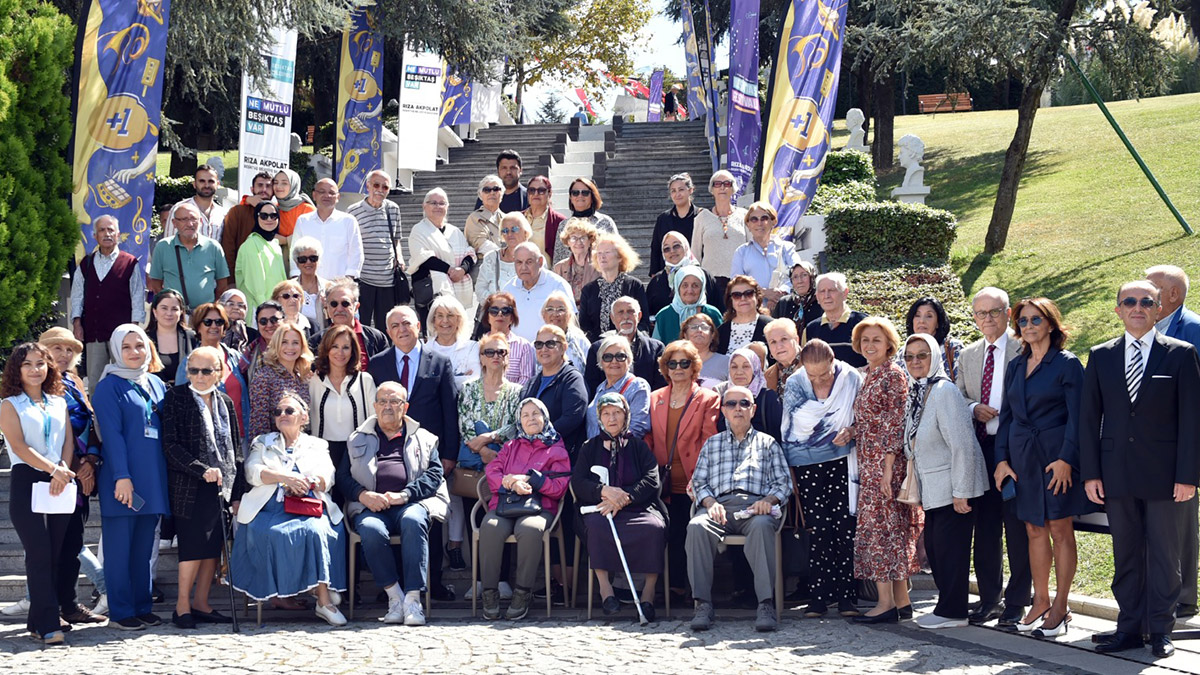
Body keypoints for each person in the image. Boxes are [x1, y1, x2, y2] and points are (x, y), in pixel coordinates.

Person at [1080, 281, 1200, 658]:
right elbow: (1088, 419)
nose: (1137, 307)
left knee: (1165, 557)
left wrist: (1188, 476)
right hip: (1116, 475)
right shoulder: (1101, 355)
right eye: (1129, 301)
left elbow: (1192, 420)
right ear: (1118, 309)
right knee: (1126, 554)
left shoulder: (1181, 354)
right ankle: (1129, 628)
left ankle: (1161, 630)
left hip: (1166, 477)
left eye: (1146, 302)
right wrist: (1091, 473)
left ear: (1158, 309)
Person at [991, 297, 1092, 637]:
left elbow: (1079, 418)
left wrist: (1066, 460)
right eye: (1023, 321)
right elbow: (1006, 417)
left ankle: (1061, 607)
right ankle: (1041, 601)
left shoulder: (1067, 364)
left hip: (1055, 458)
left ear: (1050, 324)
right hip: (1022, 459)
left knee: (1060, 529)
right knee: (1033, 529)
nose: (1029, 326)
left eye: (1036, 320)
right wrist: (1001, 460)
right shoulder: (1016, 365)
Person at [367, 305, 462, 600]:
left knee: (428, 516)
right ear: (388, 331)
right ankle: (394, 588)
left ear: (418, 326)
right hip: (389, 453)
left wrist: (449, 454)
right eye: (395, 325)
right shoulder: (377, 364)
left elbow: (449, 410)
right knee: (394, 517)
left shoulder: (440, 362)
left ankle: (432, 583)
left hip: (428, 453)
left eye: (406, 323)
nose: (401, 330)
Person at [232, 393, 347, 626]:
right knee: (270, 533)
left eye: (289, 411)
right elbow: (252, 472)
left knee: (316, 531)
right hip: (268, 506)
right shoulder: (263, 442)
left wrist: (308, 482)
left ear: (304, 417)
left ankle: (323, 600)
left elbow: (328, 476)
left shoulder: (317, 444)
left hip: (307, 504)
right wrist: (285, 478)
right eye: (278, 412)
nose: (282, 415)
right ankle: (311, 590)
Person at [341, 382, 448, 625]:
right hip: (371, 506)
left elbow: (435, 475)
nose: (388, 407)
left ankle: (413, 600)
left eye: (394, 402)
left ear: (405, 407)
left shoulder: (424, 437)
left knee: (413, 521)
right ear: (375, 406)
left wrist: (406, 494)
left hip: (411, 503)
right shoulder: (356, 438)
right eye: (383, 402)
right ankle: (395, 597)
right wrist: (363, 495)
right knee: (370, 529)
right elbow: (343, 476)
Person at [955, 287, 1031, 628]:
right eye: (981, 313)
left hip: (1016, 451)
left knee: (1016, 529)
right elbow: (958, 395)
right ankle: (989, 599)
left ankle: (1017, 602)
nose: (988, 319)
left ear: (1008, 314)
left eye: (995, 312)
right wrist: (973, 407)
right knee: (985, 529)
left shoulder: (1024, 349)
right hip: (981, 449)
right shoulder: (969, 354)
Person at [687, 385, 792, 633]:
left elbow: (783, 484)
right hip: (718, 507)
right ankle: (702, 604)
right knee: (696, 526)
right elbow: (699, 482)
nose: (738, 409)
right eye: (731, 404)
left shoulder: (768, 443)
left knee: (762, 526)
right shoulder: (711, 444)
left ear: (753, 410)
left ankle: (765, 604)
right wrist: (710, 503)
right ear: (723, 410)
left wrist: (768, 501)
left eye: (744, 403)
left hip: (755, 508)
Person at [901, 334, 988, 629]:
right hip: (933, 490)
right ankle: (948, 607)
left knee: (950, 552)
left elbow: (962, 444)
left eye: (922, 355)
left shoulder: (944, 391)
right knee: (937, 550)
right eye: (910, 356)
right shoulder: (918, 391)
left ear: (934, 358)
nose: (915, 361)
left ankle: (953, 611)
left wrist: (962, 491)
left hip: (953, 489)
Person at [92, 325, 170, 631]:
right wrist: (121, 477)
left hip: (153, 478)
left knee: (142, 550)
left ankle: (141, 606)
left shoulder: (156, 383)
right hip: (123, 480)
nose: (134, 352)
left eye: (140, 345)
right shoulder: (108, 387)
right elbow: (111, 436)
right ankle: (121, 611)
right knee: (119, 551)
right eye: (126, 347)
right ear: (115, 351)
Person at [1, 342, 77, 643]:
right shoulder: (9, 404)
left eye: (40, 363)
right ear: (17, 369)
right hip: (27, 479)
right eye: (27, 364)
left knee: (56, 554)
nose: (35, 369)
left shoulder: (58, 401)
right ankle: (48, 624)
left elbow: (68, 440)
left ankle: (36, 621)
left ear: (49, 367)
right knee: (39, 554)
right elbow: (19, 446)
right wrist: (52, 469)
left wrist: (63, 469)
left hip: (60, 479)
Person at [161, 347, 242, 629]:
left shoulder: (225, 402)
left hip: (222, 485)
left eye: (206, 371)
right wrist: (201, 469)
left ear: (219, 372)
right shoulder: (176, 397)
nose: (199, 376)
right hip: (189, 484)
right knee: (192, 546)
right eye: (193, 370)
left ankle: (201, 603)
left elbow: (235, 447)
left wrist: (237, 492)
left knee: (212, 546)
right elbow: (170, 445)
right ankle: (182, 606)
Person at [781, 339, 863, 618]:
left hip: (844, 459)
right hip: (806, 462)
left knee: (845, 527)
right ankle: (818, 597)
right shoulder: (795, 382)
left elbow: (863, 416)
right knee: (818, 529)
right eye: (812, 375)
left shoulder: (851, 378)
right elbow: (793, 424)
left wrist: (851, 430)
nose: (818, 380)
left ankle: (847, 597)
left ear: (833, 362)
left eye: (824, 375)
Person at [846, 317, 919, 624]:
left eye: (876, 339)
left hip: (885, 465)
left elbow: (896, 423)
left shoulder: (893, 374)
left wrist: (888, 469)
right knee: (889, 530)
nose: (870, 345)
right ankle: (902, 602)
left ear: (889, 343)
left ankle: (885, 603)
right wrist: (851, 431)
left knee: (881, 532)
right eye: (865, 340)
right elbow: (869, 420)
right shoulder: (868, 374)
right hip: (869, 462)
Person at [574, 392, 667, 620]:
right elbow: (578, 482)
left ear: (626, 415)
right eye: (606, 413)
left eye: (617, 413)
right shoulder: (589, 447)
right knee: (596, 526)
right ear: (599, 417)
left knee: (653, 527)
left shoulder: (638, 446)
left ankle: (648, 595)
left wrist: (625, 498)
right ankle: (606, 592)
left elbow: (651, 479)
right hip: (601, 507)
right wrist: (604, 491)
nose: (612, 418)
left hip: (637, 507)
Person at [36, 328, 108, 622]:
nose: (64, 355)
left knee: (73, 542)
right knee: (53, 546)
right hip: (52, 475)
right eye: (57, 348)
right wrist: (78, 465)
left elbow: (91, 422)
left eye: (69, 350)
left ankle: (69, 605)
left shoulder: (75, 382)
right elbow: (48, 435)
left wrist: (91, 460)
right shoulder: (39, 385)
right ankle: (48, 610)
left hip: (79, 475)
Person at [479, 398, 571, 620]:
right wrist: (511, 483)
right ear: (519, 420)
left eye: (535, 413)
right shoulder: (511, 446)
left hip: (540, 507)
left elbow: (560, 486)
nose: (531, 419)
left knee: (529, 529)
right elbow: (492, 471)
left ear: (545, 417)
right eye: (525, 415)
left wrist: (531, 480)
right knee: (490, 526)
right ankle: (489, 592)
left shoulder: (556, 449)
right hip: (505, 504)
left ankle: (522, 593)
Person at [1145, 264, 1200, 617]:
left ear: (1173, 295)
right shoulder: (1145, 325)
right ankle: (1157, 593)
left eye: (1151, 288)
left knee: (1180, 521)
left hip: (1181, 443)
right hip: (1146, 444)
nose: (1142, 294)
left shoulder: (1193, 329)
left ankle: (1183, 598)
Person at [648, 339, 720, 603]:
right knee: (669, 534)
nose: (678, 368)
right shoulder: (655, 398)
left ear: (694, 367)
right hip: (662, 481)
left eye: (684, 363)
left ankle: (692, 592)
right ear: (665, 367)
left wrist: (699, 478)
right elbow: (648, 437)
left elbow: (709, 440)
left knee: (687, 532)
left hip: (693, 480)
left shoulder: (708, 398)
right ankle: (672, 588)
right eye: (672, 363)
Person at [455, 332, 523, 568]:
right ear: (481, 358)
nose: (496, 356)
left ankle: (502, 579)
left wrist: (490, 438)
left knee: (502, 520)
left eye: (501, 352)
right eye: (489, 352)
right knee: (474, 521)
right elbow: (464, 426)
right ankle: (478, 579)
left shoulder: (517, 391)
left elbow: (517, 426)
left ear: (507, 357)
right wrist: (484, 452)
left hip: (505, 468)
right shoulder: (467, 389)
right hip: (473, 466)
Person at [70, 215, 146, 394]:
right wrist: (77, 323)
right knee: (95, 382)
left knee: (126, 378)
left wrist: (134, 329)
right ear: (95, 236)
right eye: (102, 230)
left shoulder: (129, 263)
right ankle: (97, 412)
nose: (107, 234)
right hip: (94, 332)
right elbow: (77, 295)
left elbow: (137, 296)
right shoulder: (86, 263)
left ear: (118, 234)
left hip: (122, 335)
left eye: (111, 230)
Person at [309, 324, 377, 501]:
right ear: (326, 349)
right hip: (323, 452)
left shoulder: (364, 380)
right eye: (335, 346)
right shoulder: (313, 381)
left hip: (356, 452)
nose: (340, 352)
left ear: (353, 351)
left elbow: (374, 419)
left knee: (354, 501)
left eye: (346, 347)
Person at [409, 187, 477, 323]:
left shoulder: (455, 231)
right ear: (424, 206)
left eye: (442, 203)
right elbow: (424, 257)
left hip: (458, 289)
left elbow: (469, 253)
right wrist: (450, 270)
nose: (438, 206)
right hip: (431, 291)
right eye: (433, 203)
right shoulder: (418, 230)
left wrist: (462, 269)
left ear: (447, 206)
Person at [347, 169, 405, 328]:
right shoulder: (353, 211)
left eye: (385, 187)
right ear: (368, 186)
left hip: (387, 279)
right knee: (361, 325)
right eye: (376, 185)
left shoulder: (393, 209)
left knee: (385, 327)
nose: (380, 190)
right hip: (363, 278)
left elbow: (396, 239)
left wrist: (399, 257)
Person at [521, 324, 589, 454]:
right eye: (539, 344)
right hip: (532, 452)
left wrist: (541, 438)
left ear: (564, 348)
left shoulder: (572, 379)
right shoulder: (531, 383)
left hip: (560, 454)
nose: (544, 349)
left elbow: (572, 418)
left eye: (550, 344)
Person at [149, 201, 231, 307]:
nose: (189, 224)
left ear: (200, 221)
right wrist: (169, 306)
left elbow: (222, 284)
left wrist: (211, 308)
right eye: (183, 219)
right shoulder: (163, 247)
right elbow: (156, 283)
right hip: (175, 313)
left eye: (193, 219)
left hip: (204, 313)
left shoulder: (213, 247)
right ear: (174, 223)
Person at [192, 303, 251, 441]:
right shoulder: (189, 363)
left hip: (242, 436)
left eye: (219, 322)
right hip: (210, 441)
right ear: (198, 327)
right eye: (208, 322)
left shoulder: (235, 357)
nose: (214, 326)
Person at [584, 296, 666, 393]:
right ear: (612, 318)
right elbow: (592, 387)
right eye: (620, 312)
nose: (626, 317)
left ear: (639, 316)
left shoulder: (655, 349)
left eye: (630, 312)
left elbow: (660, 388)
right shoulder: (597, 349)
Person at [247, 322, 313, 438]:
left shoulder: (302, 377)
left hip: (300, 443)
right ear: (276, 345)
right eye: (284, 342)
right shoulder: (264, 377)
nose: (290, 347)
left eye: (295, 343)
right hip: (274, 445)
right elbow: (258, 423)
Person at [501, 242, 576, 343]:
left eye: (529, 262)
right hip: (517, 350)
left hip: (549, 349)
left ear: (540, 262)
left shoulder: (558, 285)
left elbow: (570, 322)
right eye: (519, 262)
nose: (523, 267)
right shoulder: (509, 288)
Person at [730, 202, 799, 311]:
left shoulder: (787, 249)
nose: (759, 223)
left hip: (786, 308)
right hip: (753, 310)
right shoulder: (741, 252)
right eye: (754, 219)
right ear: (748, 224)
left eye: (764, 218)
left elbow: (798, 275)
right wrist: (764, 293)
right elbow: (737, 283)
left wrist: (779, 294)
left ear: (773, 222)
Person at [579, 234, 649, 341]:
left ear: (620, 257)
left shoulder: (634, 285)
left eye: (607, 252)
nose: (602, 256)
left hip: (629, 344)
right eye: (599, 253)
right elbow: (584, 326)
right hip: (599, 346)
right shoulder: (588, 290)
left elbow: (643, 322)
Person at [290, 178, 363, 280]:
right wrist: (297, 279)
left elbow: (356, 253)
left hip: (339, 284)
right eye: (322, 192)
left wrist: (347, 281)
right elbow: (294, 252)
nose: (327, 195)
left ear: (338, 197)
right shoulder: (303, 221)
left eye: (331, 193)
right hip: (309, 284)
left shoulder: (348, 221)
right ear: (314, 195)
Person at [306, 277, 390, 365]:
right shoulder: (316, 341)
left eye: (345, 303)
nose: (339, 309)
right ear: (327, 307)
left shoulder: (377, 338)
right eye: (334, 304)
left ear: (356, 307)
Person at [691, 171, 748, 299]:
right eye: (717, 184)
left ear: (733, 189)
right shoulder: (702, 218)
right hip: (711, 283)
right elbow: (695, 254)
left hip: (740, 281)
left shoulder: (744, 216)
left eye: (727, 183)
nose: (722, 187)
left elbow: (751, 249)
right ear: (712, 189)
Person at [586, 335, 651, 439]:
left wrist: (610, 446)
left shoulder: (638, 386)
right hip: (593, 448)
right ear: (601, 362)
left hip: (620, 449)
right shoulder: (601, 388)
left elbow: (638, 427)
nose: (614, 361)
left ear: (629, 360)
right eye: (608, 357)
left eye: (620, 356)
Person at [646, 231, 722, 318]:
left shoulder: (703, 276)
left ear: (686, 247)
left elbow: (718, 307)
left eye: (676, 246)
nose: (672, 251)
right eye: (666, 249)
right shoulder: (656, 281)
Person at [717, 347, 783, 442]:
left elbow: (777, 435)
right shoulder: (724, 398)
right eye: (734, 367)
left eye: (746, 366)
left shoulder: (768, 398)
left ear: (755, 369)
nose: (739, 372)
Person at [805, 273, 868, 368]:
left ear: (845, 293)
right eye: (822, 291)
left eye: (832, 290)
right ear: (817, 297)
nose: (826, 296)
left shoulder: (863, 323)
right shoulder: (811, 329)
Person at [472, 292, 537, 385]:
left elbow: (526, 380)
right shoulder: (476, 346)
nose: (500, 314)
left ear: (512, 317)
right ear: (487, 317)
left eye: (505, 311)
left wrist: (507, 393)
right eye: (494, 310)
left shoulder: (524, 346)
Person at [222, 171, 274, 283]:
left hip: (270, 276)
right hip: (242, 277)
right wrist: (231, 281)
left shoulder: (276, 213)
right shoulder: (237, 212)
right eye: (260, 185)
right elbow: (228, 246)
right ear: (252, 189)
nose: (264, 189)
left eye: (268, 186)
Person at [237, 201, 288, 313]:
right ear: (256, 218)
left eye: (273, 216)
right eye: (264, 216)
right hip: (259, 310)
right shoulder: (251, 244)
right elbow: (255, 283)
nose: (269, 219)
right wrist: (265, 309)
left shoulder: (275, 244)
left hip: (275, 309)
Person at [652, 265, 723, 344]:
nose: (689, 291)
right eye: (685, 285)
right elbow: (656, 347)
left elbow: (722, 344)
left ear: (702, 288)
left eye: (695, 286)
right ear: (678, 288)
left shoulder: (713, 313)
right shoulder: (663, 315)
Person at [476, 212, 533, 306]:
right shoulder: (491, 258)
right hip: (496, 312)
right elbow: (480, 288)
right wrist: (497, 304)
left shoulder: (536, 259)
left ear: (525, 232)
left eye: (514, 229)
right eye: (505, 230)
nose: (509, 234)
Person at [426, 295, 482, 387]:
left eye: (450, 315)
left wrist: (435, 380)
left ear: (459, 320)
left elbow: (474, 381)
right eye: (440, 316)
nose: (445, 321)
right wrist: (460, 377)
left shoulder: (472, 347)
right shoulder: (424, 349)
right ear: (433, 320)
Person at [905, 297, 964, 382]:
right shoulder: (903, 352)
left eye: (929, 316)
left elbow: (963, 386)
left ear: (938, 323)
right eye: (917, 315)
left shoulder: (953, 348)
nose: (921, 321)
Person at [650, 174, 698, 276]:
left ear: (690, 190)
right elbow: (656, 248)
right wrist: (654, 274)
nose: (677, 194)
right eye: (673, 191)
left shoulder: (700, 216)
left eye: (681, 190)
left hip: (695, 273)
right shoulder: (663, 219)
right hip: (668, 274)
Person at [163, 165, 228, 241]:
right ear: (194, 184)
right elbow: (168, 242)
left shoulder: (223, 213)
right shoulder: (178, 209)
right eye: (202, 181)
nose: (206, 185)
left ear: (217, 184)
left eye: (211, 181)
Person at [145, 289, 195, 387]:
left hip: (186, 393)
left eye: (174, 309)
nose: (169, 313)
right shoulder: (144, 339)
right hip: (154, 393)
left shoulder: (191, 337)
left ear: (181, 312)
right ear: (155, 311)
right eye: (164, 308)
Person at [718, 275, 772, 355]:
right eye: (736, 295)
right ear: (730, 300)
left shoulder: (771, 326)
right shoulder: (721, 331)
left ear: (757, 297)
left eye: (749, 293)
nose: (743, 298)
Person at [552, 218, 601, 304]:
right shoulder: (559, 268)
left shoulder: (600, 264)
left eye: (583, 238)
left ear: (590, 240)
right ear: (568, 242)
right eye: (574, 238)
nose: (578, 242)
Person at [541, 292, 590, 375]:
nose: (555, 314)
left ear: (569, 315)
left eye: (561, 309)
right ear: (543, 315)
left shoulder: (581, 342)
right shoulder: (537, 345)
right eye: (550, 309)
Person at [290, 237, 331, 332]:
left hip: (323, 338)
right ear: (296, 262)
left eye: (313, 258)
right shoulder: (289, 289)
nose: (308, 262)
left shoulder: (330, 288)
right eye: (303, 259)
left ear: (318, 260)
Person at [523, 175, 567, 262]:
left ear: (549, 193)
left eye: (541, 190)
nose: (536, 194)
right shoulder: (518, 218)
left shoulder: (559, 222)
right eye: (532, 190)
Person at [271, 169, 315, 252]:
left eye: (284, 183)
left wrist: (285, 240)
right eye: (276, 183)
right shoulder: (273, 209)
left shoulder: (307, 209)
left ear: (293, 185)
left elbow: (313, 236)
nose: (278, 186)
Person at [473, 150, 529, 214]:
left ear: (520, 170)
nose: (508, 172)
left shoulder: (529, 197)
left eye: (513, 168)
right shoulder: (487, 196)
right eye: (504, 168)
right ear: (498, 171)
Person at [240, 301, 284, 381]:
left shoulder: (294, 348)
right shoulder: (251, 352)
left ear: (284, 321)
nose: (269, 325)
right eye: (263, 321)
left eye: (274, 320)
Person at [773, 261, 823, 331]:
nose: (799, 281)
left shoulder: (821, 300)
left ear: (812, 277)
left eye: (804, 275)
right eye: (795, 277)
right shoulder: (784, 303)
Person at [465, 174, 507, 254]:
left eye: (496, 189)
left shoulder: (508, 219)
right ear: (480, 195)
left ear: (502, 193)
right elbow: (481, 244)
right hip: (485, 260)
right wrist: (505, 255)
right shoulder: (474, 218)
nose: (492, 193)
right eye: (487, 190)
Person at [682, 314, 728, 385]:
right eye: (694, 327)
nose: (699, 330)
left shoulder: (727, 362)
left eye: (704, 327)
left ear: (712, 335)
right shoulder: (676, 362)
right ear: (685, 335)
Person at [764, 318, 801, 395]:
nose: (779, 346)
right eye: (773, 342)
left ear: (796, 340)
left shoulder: (814, 364)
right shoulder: (767, 376)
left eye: (784, 339)